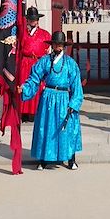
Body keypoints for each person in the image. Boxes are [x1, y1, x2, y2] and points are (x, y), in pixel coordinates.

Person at [19, 31, 83, 171]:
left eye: (60, 45)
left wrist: (74, 103)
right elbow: (35, 77)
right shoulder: (44, 61)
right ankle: (43, 159)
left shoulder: (71, 64)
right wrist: (25, 88)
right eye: (55, 44)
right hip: (48, 97)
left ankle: (71, 159)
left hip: (64, 98)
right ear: (52, 45)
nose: (58, 47)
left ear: (64, 46)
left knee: (68, 129)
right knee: (45, 128)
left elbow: (76, 86)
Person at [18, 6, 51, 123]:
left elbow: (47, 50)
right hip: (25, 63)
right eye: (31, 18)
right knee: (25, 85)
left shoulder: (45, 34)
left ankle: (35, 112)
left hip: (38, 63)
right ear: (27, 19)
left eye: (35, 18)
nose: (33, 21)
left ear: (38, 20)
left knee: (37, 87)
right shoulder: (21, 33)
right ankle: (23, 113)